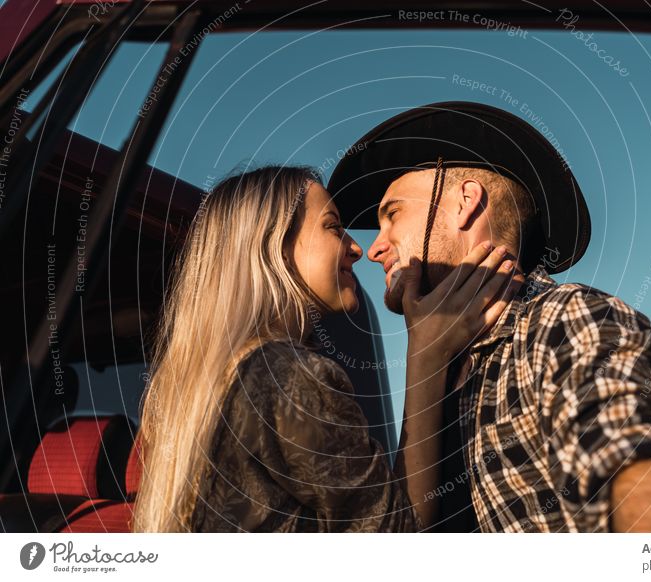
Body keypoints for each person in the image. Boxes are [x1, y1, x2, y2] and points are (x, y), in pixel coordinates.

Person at [328, 101, 651, 532]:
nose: (374, 248)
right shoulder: (443, 368)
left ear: (466, 202)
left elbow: (634, 454)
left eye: (392, 215)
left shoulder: (563, 320)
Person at [132, 165, 521, 532]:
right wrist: (427, 355)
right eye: (333, 227)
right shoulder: (288, 377)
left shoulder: (182, 391)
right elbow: (399, 538)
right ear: (275, 245)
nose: (358, 248)